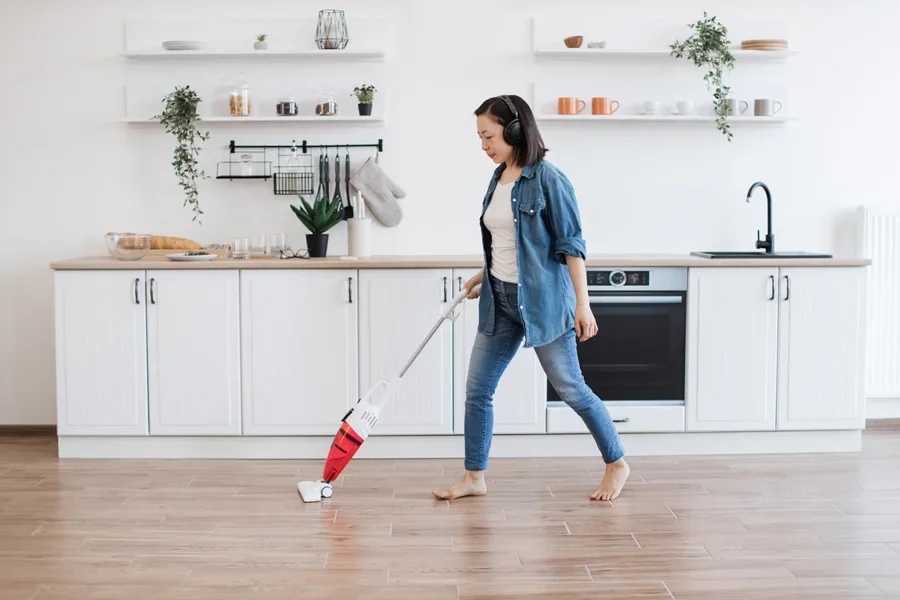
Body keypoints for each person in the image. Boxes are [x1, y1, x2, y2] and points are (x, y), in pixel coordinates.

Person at [432, 94, 630, 502]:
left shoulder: (549, 179)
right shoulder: (499, 177)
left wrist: (583, 303)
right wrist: (482, 275)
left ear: (516, 129)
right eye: (480, 137)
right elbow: (508, 241)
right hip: (499, 300)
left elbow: (571, 246)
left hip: (542, 303)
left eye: (488, 136)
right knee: (477, 391)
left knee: (571, 387)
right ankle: (474, 477)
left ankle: (617, 462)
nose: (483, 146)